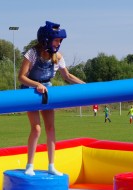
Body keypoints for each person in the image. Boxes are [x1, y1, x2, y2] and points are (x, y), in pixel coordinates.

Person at [18, 21, 85, 176]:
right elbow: (21, 77)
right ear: (46, 39)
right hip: (30, 90)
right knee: (36, 128)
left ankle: (51, 165)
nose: (59, 43)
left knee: (50, 128)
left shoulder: (57, 56)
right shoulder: (32, 53)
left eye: (60, 41)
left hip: (47, 89)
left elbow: (67, 76)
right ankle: (29, 165)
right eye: (57, 40)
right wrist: (36, 85)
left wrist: (85, 86)